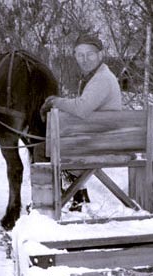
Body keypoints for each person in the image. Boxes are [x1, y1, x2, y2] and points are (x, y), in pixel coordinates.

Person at [41, 33, 123, 211]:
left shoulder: (102, 79)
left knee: (42, 147)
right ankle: (77, 195)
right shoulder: (97, 77)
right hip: (101, 139)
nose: (84, 59)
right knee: (52, 142)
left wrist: (55, 101)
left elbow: (82, 108)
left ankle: (47, 202)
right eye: (80, 55)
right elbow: (85, 108)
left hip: (100, 144)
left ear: (100, 55)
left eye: (90, 54)